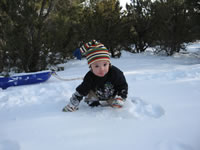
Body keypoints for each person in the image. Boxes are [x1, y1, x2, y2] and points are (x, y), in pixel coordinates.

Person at [63, 40, 128, 112]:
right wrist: (73, 103)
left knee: (115, 103)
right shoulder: (90, 76)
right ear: (91, 67)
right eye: (96, 66)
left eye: (105, 65)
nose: (102, 69)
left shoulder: (115, 73)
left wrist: (121, 96)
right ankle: (92, 101)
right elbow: (81, 90)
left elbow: (122, 85)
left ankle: (118, 99)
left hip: (112, 94)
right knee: (89, 93)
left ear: (109, 63)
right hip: (96, 95)